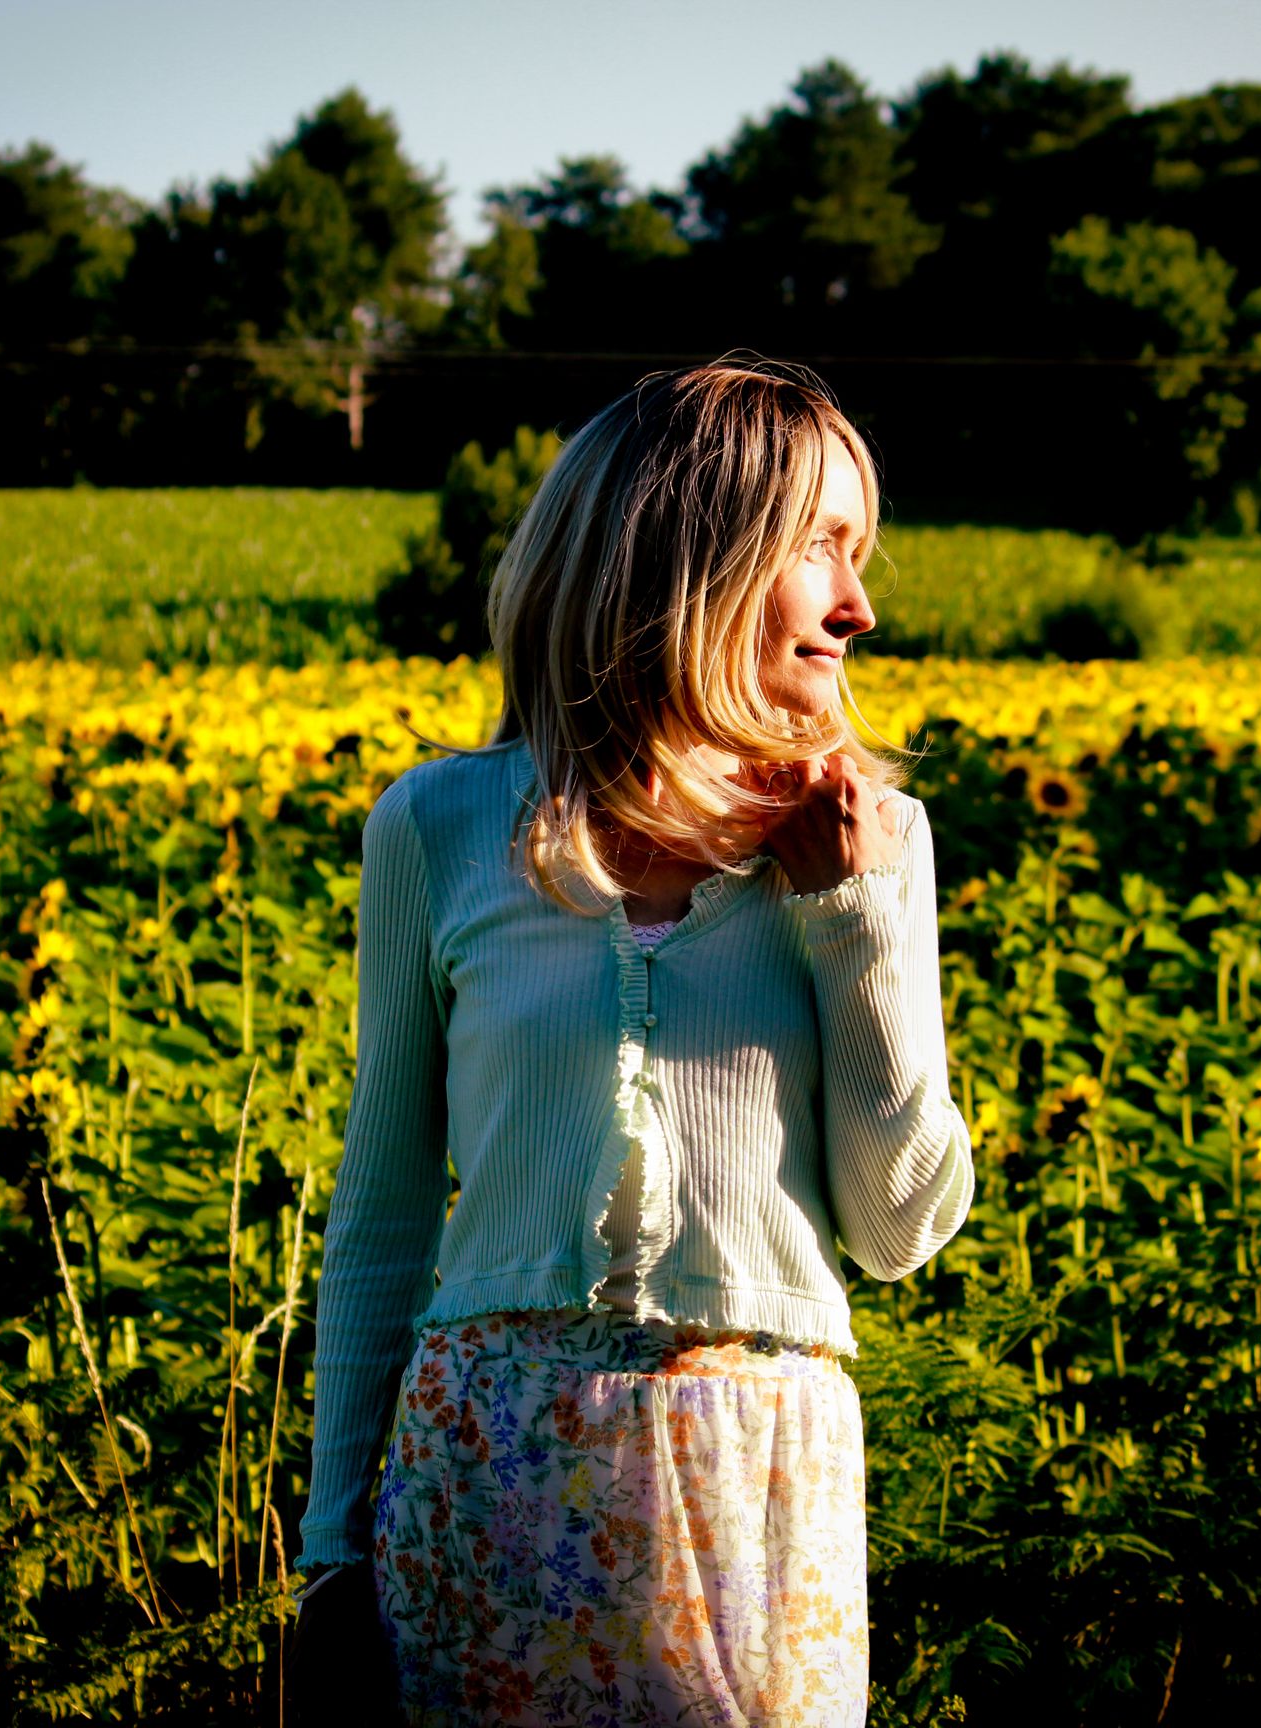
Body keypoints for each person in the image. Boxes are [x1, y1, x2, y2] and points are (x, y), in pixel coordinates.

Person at [291, 358, 975, 1726]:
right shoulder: (435, 826)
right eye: (822, 550)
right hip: (480, 1475)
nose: (861, 605)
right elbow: (380, 1214)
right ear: (693, 560)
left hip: (758, 1490)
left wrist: (845, 916)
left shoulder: (876, 846)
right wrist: (328, 1561)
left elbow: (902, 1227)